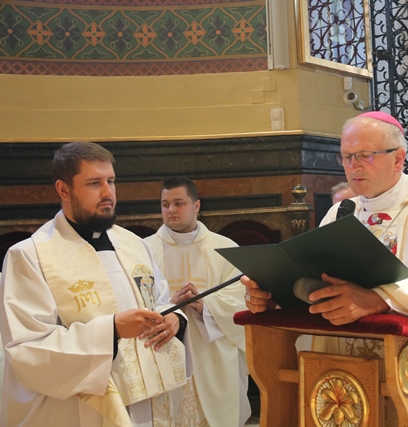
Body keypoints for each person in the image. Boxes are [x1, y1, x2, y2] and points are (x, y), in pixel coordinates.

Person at [241, 111, 408, 426]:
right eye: (346, 157)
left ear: (398, 159)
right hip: (345, 371)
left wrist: (378, 298)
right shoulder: (341, 212)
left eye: (365, 155)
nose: (353, 166)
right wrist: (275, 297)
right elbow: (316, 280)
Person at [0, 142, 192, 426]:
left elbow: (159, 301)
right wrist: (111, 330)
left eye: (111, 181)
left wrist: (175, 318)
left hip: (148, 403)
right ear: (63, 189)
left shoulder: (134, 245)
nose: (108, 193)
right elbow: (27, 349)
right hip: (83, 409)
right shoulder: (30, 256)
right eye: (94, 183)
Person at [144, 177, 251, 427]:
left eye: (179, 203)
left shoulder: (224, 248)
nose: (171, 210)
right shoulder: (143, 250)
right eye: (165, 204)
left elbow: (243, 301)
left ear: (196, 206)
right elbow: (133, 300)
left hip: (212, 355)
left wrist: (205, 305)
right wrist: (167, 306)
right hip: (164, 350)